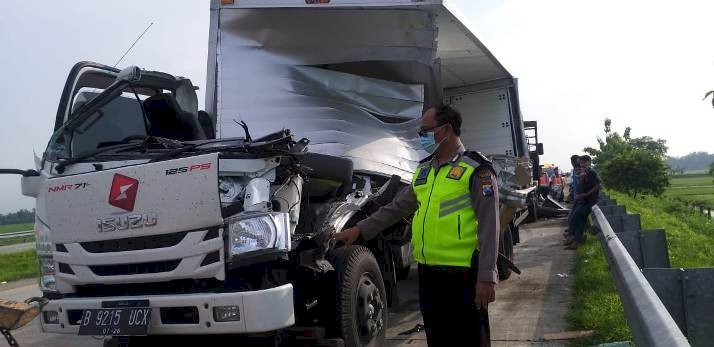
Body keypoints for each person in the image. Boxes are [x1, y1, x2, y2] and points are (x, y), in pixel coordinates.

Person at [332, 104, 500, 346]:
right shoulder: (424, 171)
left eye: (425, 131)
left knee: (470, 338)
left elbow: (489, 226)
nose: (421, 137)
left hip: (463, 275)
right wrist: (359, 229)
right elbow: (395, 208)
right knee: (438, 338)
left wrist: (486, 277)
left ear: (447, 129)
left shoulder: (476, 170)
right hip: (428, 273)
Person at [565, 155, 600, 249]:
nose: (581, 165)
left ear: (588, 162)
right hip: (582, 200)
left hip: (588, 201)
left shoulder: (591, 172)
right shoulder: (586, 172)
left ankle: (573, 238)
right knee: (579, 221)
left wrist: (586, 194)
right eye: (580, 163)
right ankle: (576, 241)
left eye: (583, 163)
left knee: (575, 218)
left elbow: (597, 186)